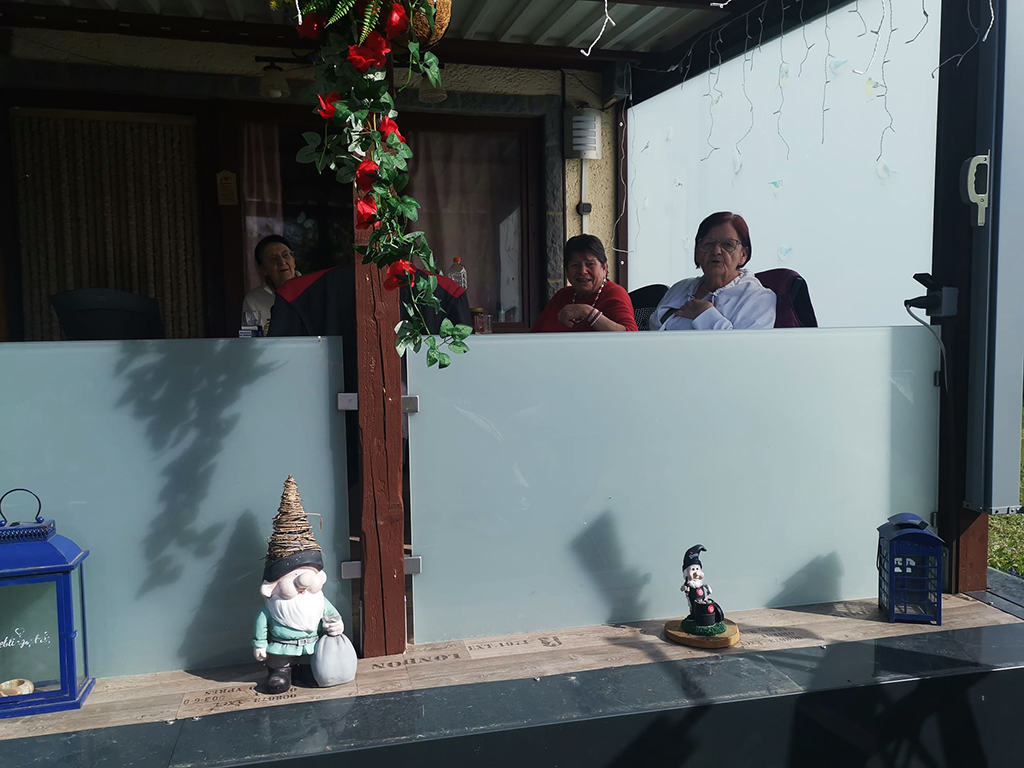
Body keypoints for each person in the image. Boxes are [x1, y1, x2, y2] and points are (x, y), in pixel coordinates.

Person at [651, 212, 776, 331]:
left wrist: (706, 314)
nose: (716, 251)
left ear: (743, 255)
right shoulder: (680, 288)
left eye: (728, 244)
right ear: (697, 252)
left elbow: (746, 345)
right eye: (708, 243)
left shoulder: (758, 298)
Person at [531, 235, 637, 332]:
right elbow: (534, 336)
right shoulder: (562, 295)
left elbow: (630, 336)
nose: (582, 271)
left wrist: (588, 312)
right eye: (575, 265)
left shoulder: (614, 293)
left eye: (590, 264)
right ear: (566, 271)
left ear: (604, 268)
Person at [242, 235, 301, 331]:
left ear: (294, 260)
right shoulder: (254, 300)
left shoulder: (313, 289)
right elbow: (250, 338)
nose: (282, 262)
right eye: (273, 258)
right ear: (262, 269)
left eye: (286, 255)